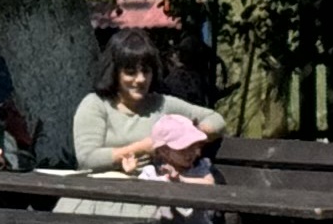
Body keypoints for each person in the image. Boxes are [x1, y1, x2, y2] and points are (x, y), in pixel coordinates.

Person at [70, 27, 229, 176]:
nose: (141, 79)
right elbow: (87, 159)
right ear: (114, 73)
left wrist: (189, 135)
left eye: (146, 71)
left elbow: (216, 120)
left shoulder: (162, 104)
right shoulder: (95, 105)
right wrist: (141, 148)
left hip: (154, 191)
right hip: (101, 190)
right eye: (130, 72)